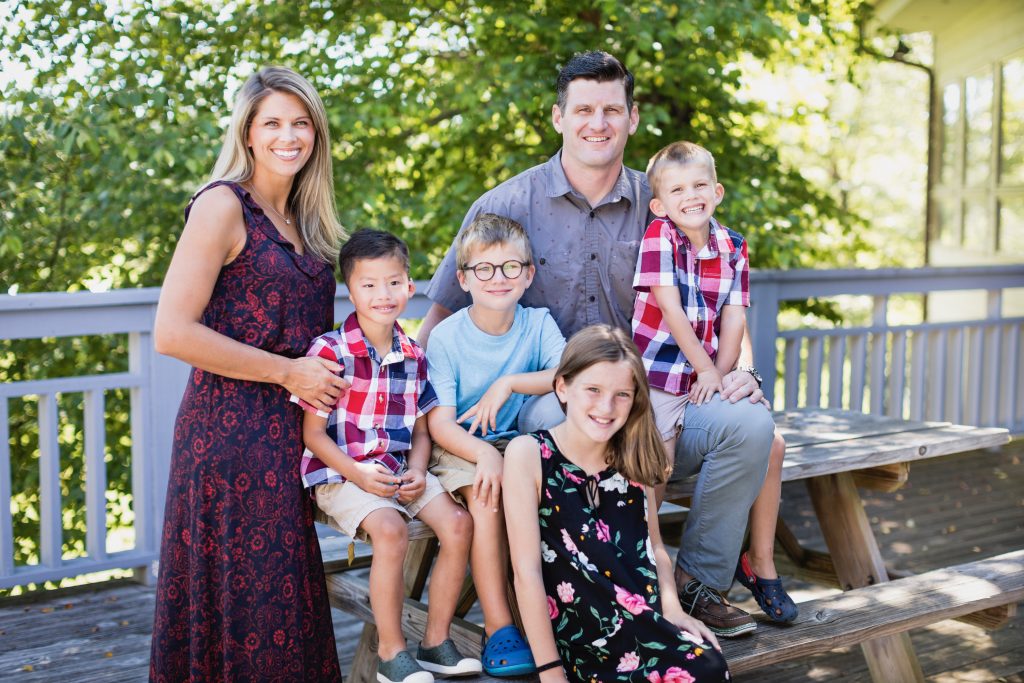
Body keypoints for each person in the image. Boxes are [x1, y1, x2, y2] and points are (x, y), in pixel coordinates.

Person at [420, 50, 776, 636]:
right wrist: (405, 426)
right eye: (583, 109)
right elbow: (440, 315)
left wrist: (743, 372)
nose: (598, 122)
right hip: (545, 405)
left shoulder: (664, 207)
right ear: (559, 117)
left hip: (650, 402)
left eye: (612, 109)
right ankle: (582, 600)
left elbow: (723, 296)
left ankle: (696, 585)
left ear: (632, 118)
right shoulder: (506, 205)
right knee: (568, 421)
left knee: (751, 428)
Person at [151, 66, 346, 681]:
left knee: (283, 610)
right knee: (245, 612)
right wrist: (289, 373)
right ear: (249, 132)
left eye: (301, 123)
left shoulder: (305, 223)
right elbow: (173, 332)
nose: (289, 136)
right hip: (227, 441)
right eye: (273, 124)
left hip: (290, 440)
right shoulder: (221, 204)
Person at [295, 229, 481, 683]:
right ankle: (391, 652)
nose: (384, 294)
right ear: (351, 289)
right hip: (340, 474)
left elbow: (421, 432)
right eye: (370, 284)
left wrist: (419, 471)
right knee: (391, 529)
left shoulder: (415, 354)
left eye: (394, 282)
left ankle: (436, 641)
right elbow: (313, 435)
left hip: (400, 471)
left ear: (410, 285)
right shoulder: (330, 351)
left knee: (459, 525)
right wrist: (356, 473)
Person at [503, 324, 730, 683]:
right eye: (593, 389)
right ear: (562, 387)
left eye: (621, 394)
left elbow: (654, 545)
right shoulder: (530, 454)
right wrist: (549, 672)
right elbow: (526, 572)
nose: (606, 407)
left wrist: (673, 610)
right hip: (581, 637)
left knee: (709, 668)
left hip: (645, 620)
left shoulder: (634, 454)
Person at [633, 141, 796, 629]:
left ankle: (718, 575)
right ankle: (648, 576)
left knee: (764, 435)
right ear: (660, 203)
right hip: (660, 377)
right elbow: (672, 312)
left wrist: (724, 375)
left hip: (705, 378)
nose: (691, 195)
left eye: (700, 185)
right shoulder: (659, 236)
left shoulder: (733, 245)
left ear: (717, 191)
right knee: (653, 465)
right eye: (678, 189)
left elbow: (734, 315)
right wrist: (705, 369)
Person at [425, 214, 565, 677]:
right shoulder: (446, 338)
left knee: (553, 485)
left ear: (529, 275)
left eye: (510, 268)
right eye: (484, 269)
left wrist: (509, 382)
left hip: (515, 442)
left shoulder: (538, 323)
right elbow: (441, 423)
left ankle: (564, 604)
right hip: (460, 444)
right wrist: (484, 453)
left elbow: (569, 378)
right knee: (486, 499)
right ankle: (499, 625)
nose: (498, 278)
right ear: (463, 279)